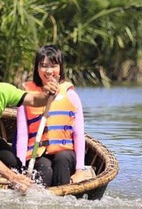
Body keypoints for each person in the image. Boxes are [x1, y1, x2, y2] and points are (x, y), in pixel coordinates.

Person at [14, 45, 92, 187]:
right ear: (37, 68)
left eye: (54, 66)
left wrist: (80, 170)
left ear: (60, 68)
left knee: (62, 160)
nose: (49, 71)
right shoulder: (26, 97)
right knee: (45, 169)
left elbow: (78, 134)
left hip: (65, 153)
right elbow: (22, 135)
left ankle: (62, 200)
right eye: (44, 66)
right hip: (38, 154)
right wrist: (20, 169)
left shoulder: (71, 95)